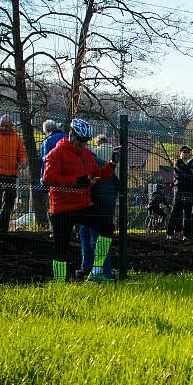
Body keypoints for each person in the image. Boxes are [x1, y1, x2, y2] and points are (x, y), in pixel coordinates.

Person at [43, 118, 118, 282]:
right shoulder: (56, 153)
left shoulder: (86, 154)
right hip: (62, 207)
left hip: (83, 205)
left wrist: (112, 164)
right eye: (80, 141)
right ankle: (60, 282)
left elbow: (97, 174)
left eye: (86, 141)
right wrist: (76, 181)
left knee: (107, 227)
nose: (83, 144)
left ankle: (97, 272)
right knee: (61, 247)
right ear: (72, 135)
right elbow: (48, 178)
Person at [77, 153, 119, 280]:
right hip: (106, 204)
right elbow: (117, 183)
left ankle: (103, 272)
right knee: (88, 235)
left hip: (92, 204)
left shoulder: (83, 162)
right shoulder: (102, 162)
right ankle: (90, 268)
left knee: (95, 239)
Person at [0, 114, 27, 233]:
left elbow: (22, 153)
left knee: (10, 201)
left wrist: (22, 162)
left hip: (12, 175)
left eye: (6, 126)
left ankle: (3, 228)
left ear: (11, 126)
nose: (3, 128)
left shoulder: (17, 138)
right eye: (1, 125)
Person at [167, 146, 193, 240]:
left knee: (188, 213)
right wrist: (190, 174)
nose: (186, 154)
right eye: (184, 152)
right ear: (180, 153)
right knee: (175, 212)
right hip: (179, 191)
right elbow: (186, 174)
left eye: (187, 153)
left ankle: (186, 235)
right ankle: (170, 233)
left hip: (188, 191)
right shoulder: (177, 163)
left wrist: (190, 175)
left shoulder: (189, 165)